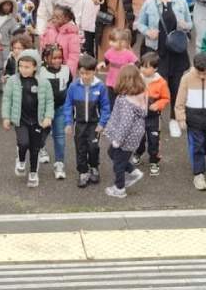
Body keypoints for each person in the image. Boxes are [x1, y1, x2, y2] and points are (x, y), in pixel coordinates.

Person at [136, 0, 193, 111]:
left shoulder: (181, 2)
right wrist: (148, 32)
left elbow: (190, 23)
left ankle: (175, 116)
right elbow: (140, 24)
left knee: (176, 85)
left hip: (176, 50)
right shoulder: (150, 3)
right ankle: (155, 118)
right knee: (156, 86)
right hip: (156, 49)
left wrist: (186, 25)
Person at [2, 48, 53, 188]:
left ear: (35, 66)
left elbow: (49, 101)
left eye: (27, 67)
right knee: (23, 143)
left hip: (37, 121)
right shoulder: (13, 81)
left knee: (35, 148)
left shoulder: (43, 83)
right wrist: (6, 117)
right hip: (21, 120)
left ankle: (33, 173)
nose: (23, 70)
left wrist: (48, 116)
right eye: (21, 66)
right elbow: (7, 99)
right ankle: (21, 159)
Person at [176, 52, 206, 191]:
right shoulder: (186, 79)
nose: (202, 76)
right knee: (197, 146)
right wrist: (181, 117)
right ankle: (198, 175)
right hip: (193, 120)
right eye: (199, 73)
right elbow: (180, 100)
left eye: (205, 73)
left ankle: (202, 157)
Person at [99, 64, 147, 199]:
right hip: (133, 137)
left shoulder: (127, 102)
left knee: (118, 163)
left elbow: (125, 124)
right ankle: (133, 171)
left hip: (125, 139)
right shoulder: (138, 96)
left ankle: (119, 188)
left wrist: (117, 140)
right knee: (112, 153)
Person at [64, 53, 110, 188]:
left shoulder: (100, 87)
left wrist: (102, 123)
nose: (85, 77)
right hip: (79, 123)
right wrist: (68, 122)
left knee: (93, 147)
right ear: (79, 71)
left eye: (88, 73)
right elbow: (68, 106)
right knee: (80, 148)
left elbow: (105, 107)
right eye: (82, 73)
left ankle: (94, 167)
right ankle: (83, 171)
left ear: (94, 71)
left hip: (94, 124)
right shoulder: (73, 86)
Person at [39, 44, 72, 179]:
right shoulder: (39, 71)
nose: (58, 61)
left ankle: (59, 164)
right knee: (42, 132)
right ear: (46, 58)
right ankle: (41, 148)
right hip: (43, 110)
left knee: (59, 136)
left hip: (60, 108)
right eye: (54, 58)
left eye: (60, 58)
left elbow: (70, 87)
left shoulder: (66, 69)